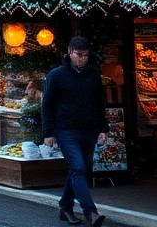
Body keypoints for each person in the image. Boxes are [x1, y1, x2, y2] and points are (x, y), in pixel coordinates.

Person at [42, 36, 108, 227]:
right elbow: (47, 105)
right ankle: (91, 212)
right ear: (70, 53)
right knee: (78, 168)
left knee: (79, 169)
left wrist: (103, 128)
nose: (83, 59)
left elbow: (99, 104)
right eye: (79, 55)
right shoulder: (56, 75)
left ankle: (65, 207)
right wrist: (48, 133)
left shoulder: (93, 74)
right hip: (66, 130)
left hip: (89, 130)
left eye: (86, 55)